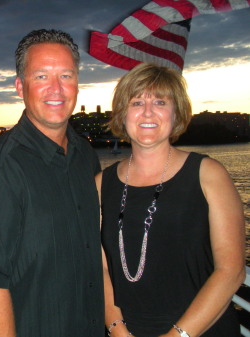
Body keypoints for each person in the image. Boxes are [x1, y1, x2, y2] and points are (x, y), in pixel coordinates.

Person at [0, 29, 105, 337]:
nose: (56, 89)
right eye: (41, 76)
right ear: (20, 86)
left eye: (66, 76)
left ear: (78, 85)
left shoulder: (85, 156)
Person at [98, 62, 245, 337]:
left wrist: (177, 335)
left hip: (202, 330)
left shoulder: (208, 174)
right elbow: (100, 267)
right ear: (122, 113)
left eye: (160, 102)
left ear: (176, 113)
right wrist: (117, 329)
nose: (148, 112)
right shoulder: (100, 184)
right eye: (137, 102)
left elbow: (231, 270)